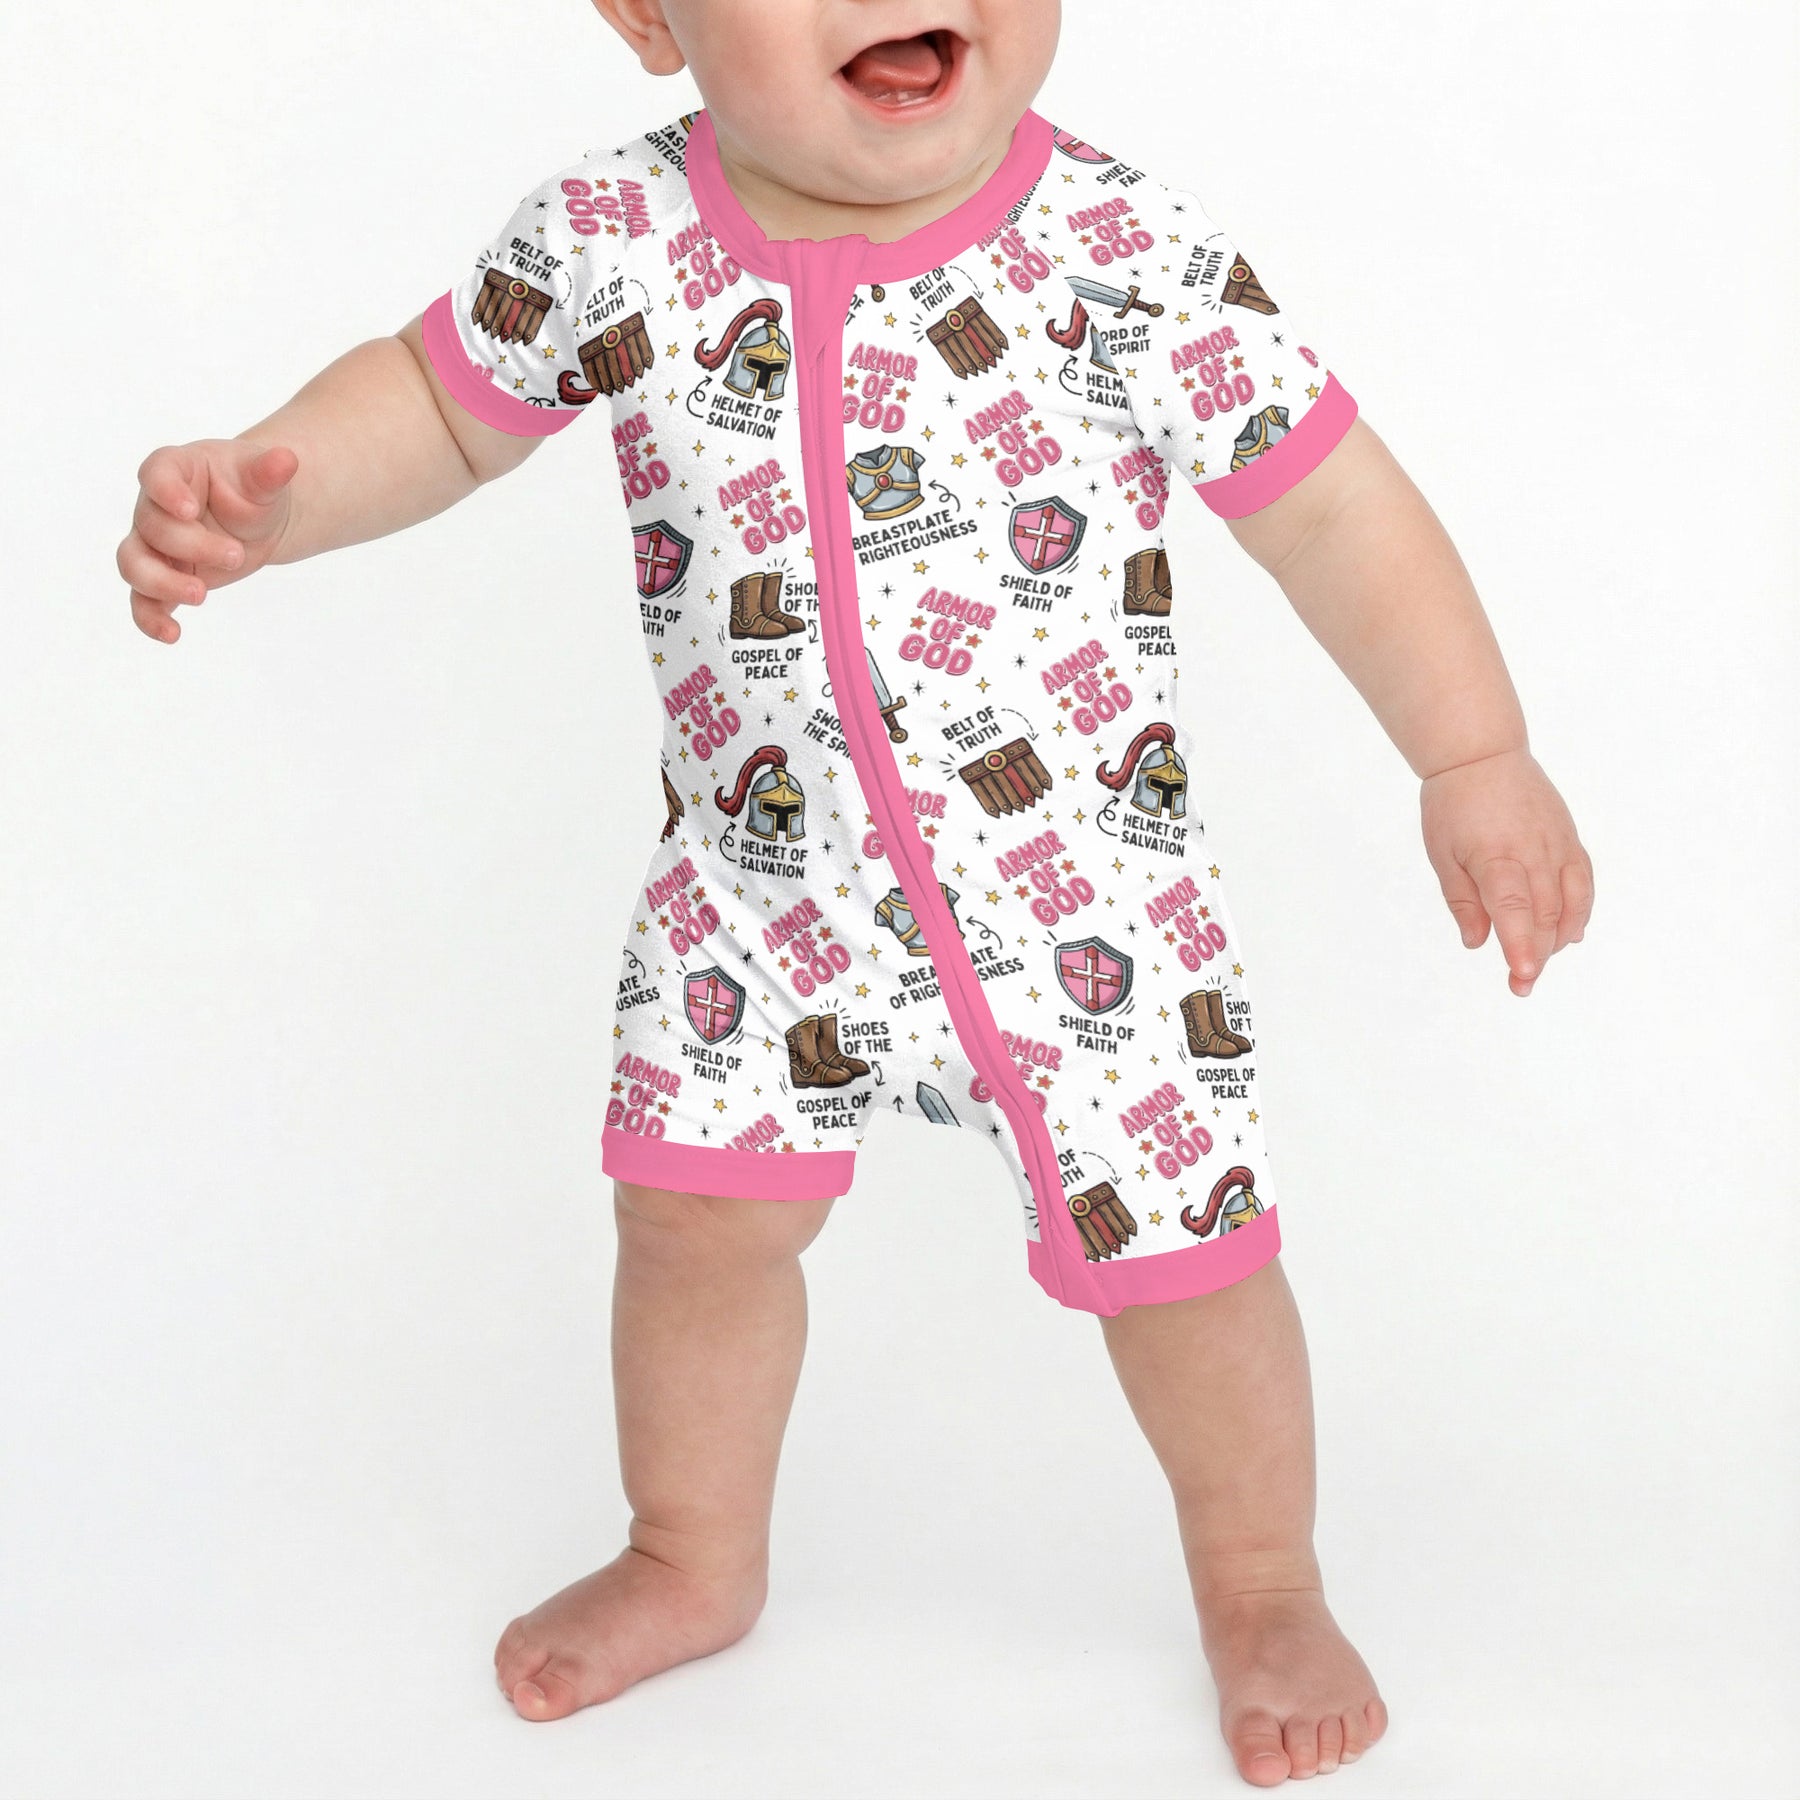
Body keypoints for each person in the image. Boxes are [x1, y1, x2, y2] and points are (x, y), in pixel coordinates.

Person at [115, 1, 1593, 1784]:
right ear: (647, 15)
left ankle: (1265, 1579)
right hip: (755, 894)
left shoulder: (1124, 250)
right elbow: (437, 404)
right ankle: (690, 1550)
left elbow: (1334, 506)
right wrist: (271, 496)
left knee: (1186, 1267)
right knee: (687, 1224)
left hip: (1085, 914)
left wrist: (1472, 752)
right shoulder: (611, 235)